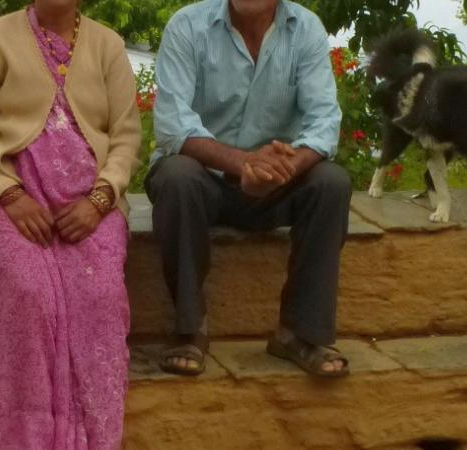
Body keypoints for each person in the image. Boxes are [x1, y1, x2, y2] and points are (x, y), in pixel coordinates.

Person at [0, 0, 141, 447]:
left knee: (99, 294)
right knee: (28, 292)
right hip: (15, 202)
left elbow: (126, 136)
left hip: (89, 206)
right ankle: (24, 433)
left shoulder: (107, 45)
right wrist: (9, 194)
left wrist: (99, 199)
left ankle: (89, 434)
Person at [147, 0, 351, 377]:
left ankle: (299, 334)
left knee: (331, 182)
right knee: (175, 176)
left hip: (277, 181)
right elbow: (173, 126)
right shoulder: (188, 26)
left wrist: (282, 168)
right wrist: (243, 163)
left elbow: (324, 123)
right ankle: (191, 329)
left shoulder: (305, 29)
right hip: (205, 181)